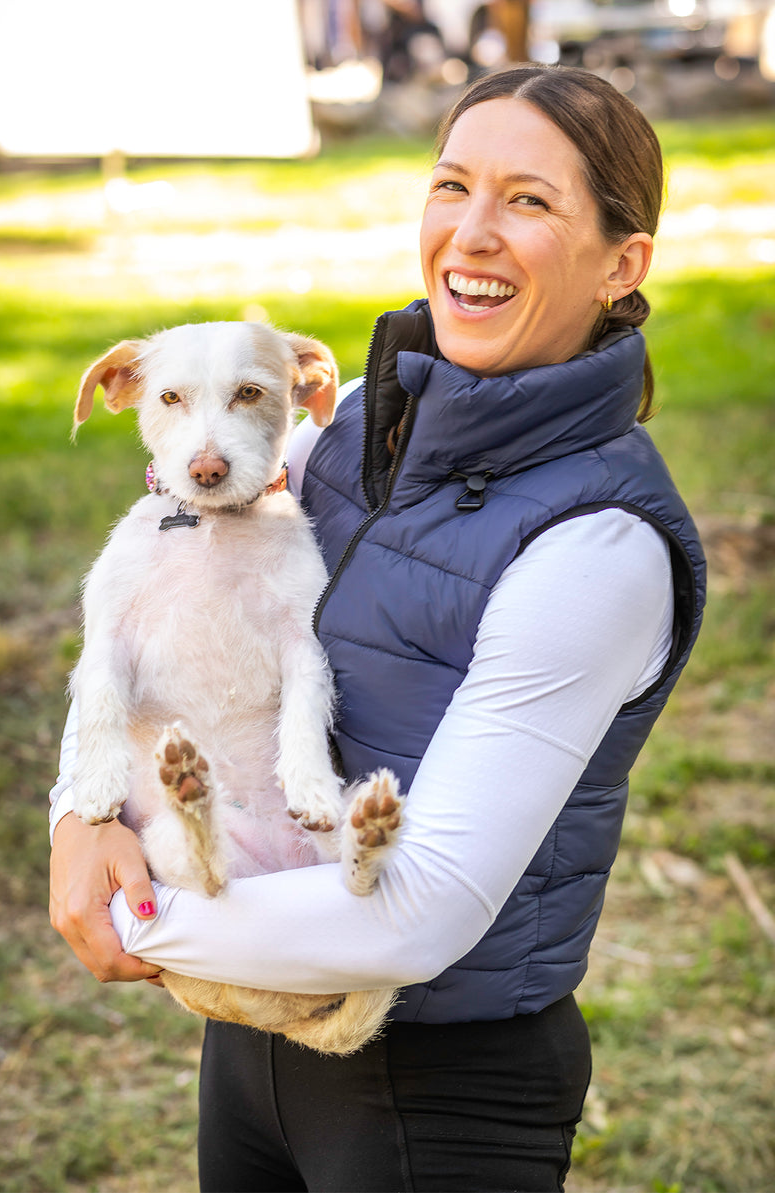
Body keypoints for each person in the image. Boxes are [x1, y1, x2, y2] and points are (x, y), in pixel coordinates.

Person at [49, 65, 706, 1192]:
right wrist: (81, 810)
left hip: (436, 1090)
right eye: (452, 185)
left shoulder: (600, 545)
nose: (472, 232)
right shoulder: (350, 422)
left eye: (528, 200)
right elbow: (154, 594)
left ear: (621, 263)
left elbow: (417, 911)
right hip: (253, 1039)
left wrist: (132, 917)